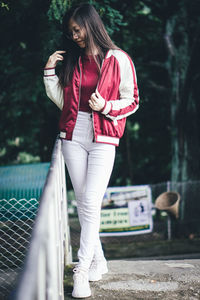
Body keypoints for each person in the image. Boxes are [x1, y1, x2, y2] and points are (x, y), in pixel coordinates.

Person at [43, 3, 139, 298]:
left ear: (91, 24)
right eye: (70, 32)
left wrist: (106, 107)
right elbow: (64, 101)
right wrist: (49, 72)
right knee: (84, 202)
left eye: (77, 29)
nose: (73, 36)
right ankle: (98, 259)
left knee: (91, 202)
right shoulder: (72, 60)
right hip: (73, 134)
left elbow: (132, 100)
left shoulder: (118, 58)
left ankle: (81, 270)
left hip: (105, 136)